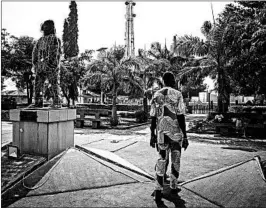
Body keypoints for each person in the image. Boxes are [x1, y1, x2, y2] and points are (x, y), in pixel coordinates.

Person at [150, 71, 189, 203]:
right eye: (173, 79)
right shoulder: (178, 94)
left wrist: (152, 135)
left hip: (161, 134)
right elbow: (181, 116)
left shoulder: (156, 94)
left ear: (163, 81)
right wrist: (185, 136)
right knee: (175, 159)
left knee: (161, 160)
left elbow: (153, 117)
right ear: (172, 81)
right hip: (175, 134)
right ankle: (173, 186)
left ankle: (158, 189)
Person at [31, 19, 62, 108]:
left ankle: (57, 102)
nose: (45, 28)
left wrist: (51, 64)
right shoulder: (40, 40)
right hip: (40, 67)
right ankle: (38, 102)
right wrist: (35, 64)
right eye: (44, 26)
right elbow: (35, 52)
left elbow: (55, 53)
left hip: (51, 67)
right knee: (38, 85)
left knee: (54, 84)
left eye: (47, 26)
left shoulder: (54, 39)